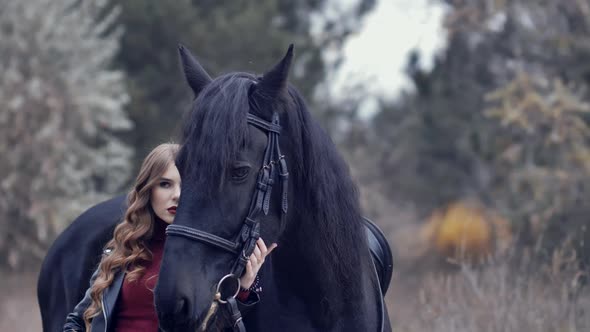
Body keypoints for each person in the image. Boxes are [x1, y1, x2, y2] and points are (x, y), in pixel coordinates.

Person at [63, 143, 276, 331]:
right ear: (148, 190)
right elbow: (77, 321)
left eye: (185, 185)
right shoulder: (123, 249)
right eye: (165, 184)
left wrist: (243, 288)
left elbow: (218, 327)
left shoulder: (210, 257)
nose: (177, 195)